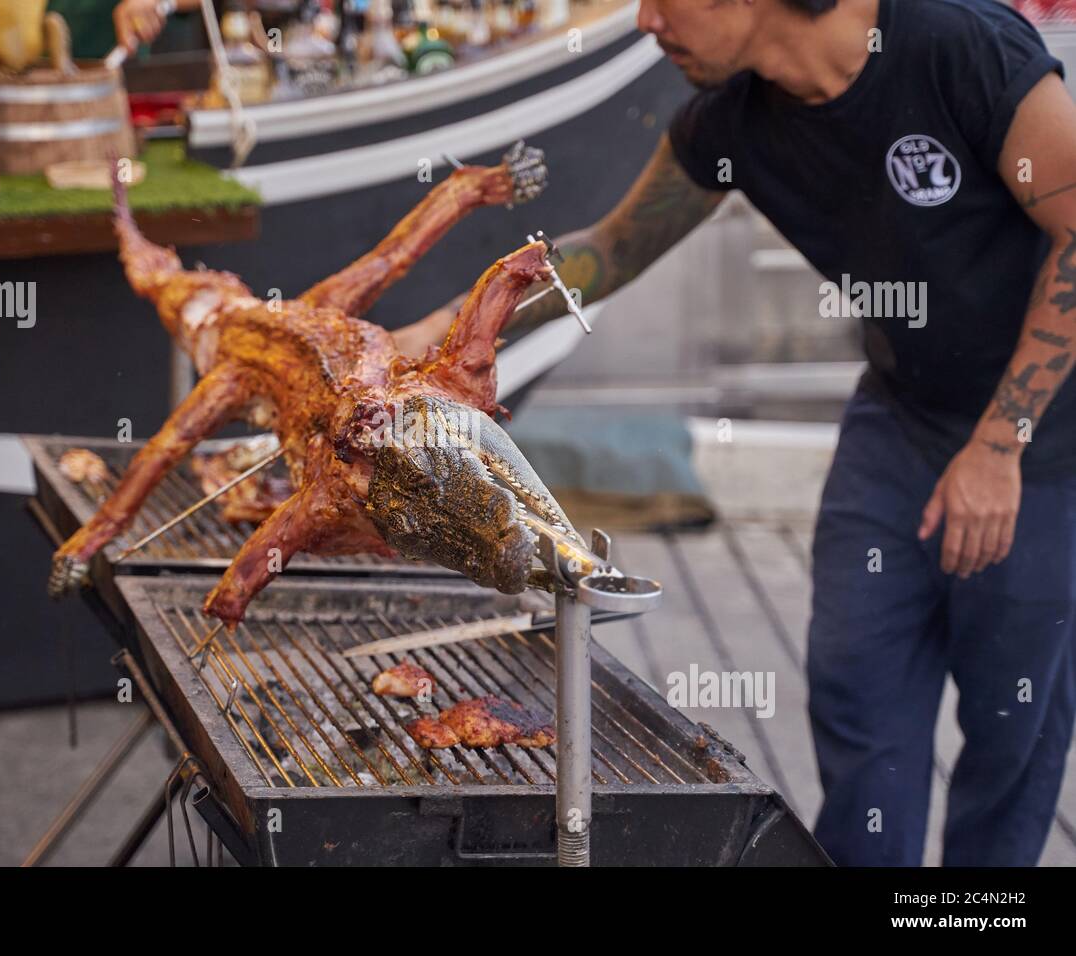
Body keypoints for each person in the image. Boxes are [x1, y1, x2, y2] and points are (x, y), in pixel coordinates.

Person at [394, 0, 1076, 867]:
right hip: (899, 419)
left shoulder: (956, 44)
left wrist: (1000, 445)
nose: (644, 21)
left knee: (1011, 733)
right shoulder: (729, 122)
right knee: (859, 702)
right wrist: (443, 335)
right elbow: (611, 249)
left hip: (1046, 435)